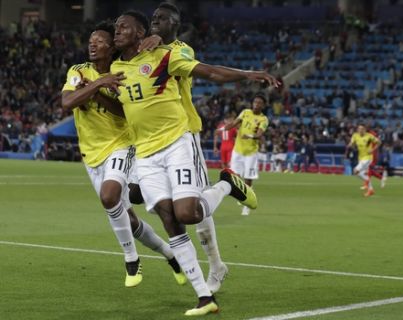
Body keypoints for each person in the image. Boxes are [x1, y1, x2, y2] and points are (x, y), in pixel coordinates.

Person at [111, 11, 279, 316]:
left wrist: (247, 74)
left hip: (182, 135)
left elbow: (207, 71)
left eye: (163, 19)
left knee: (189, 211)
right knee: (149, 202)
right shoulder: (120, 63)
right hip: (145, 147)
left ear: (175, 24)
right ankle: (208, 283)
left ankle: (217, 254)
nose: (157, 22)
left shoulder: (178, 52)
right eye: (154, 19)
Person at [61, 21, 186, 288]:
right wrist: (96, 85)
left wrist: (97, 87)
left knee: (110, 196)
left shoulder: (122, 72)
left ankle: (131, 259)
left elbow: (122, 111)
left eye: (100, 41)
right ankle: (170, 254)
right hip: (91, 153)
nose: (92, 44)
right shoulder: (78, 71)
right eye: (91, 40)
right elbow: (67, 102)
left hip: (121, 145)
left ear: (111, 48)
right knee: (128, 219)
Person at [223, 94, 269, 216]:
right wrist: (225, 128)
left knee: (248, 178)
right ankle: (242, 195)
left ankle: (247, 205)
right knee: (235, 176)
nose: (256, 104)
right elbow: (235, 122)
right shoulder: (245, 112)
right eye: (255, 102)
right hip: (238, 150)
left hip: (251, 153)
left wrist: (249, 136)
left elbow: (259, 135)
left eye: (259, 103)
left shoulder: (263, 119)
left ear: (263, 105)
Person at [345, 124, 381, 197]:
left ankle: (367, 181)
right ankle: (370, 190)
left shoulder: (369, 136)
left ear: (365, 129)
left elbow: (379, 142)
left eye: (362, 129)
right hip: (360, 158)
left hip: (368, 158)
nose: (360, 130)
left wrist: (373, 150)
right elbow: (352, 143)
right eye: (359, 129)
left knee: (355, 171)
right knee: (359, 174)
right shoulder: (355, 135)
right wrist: (350, 145)